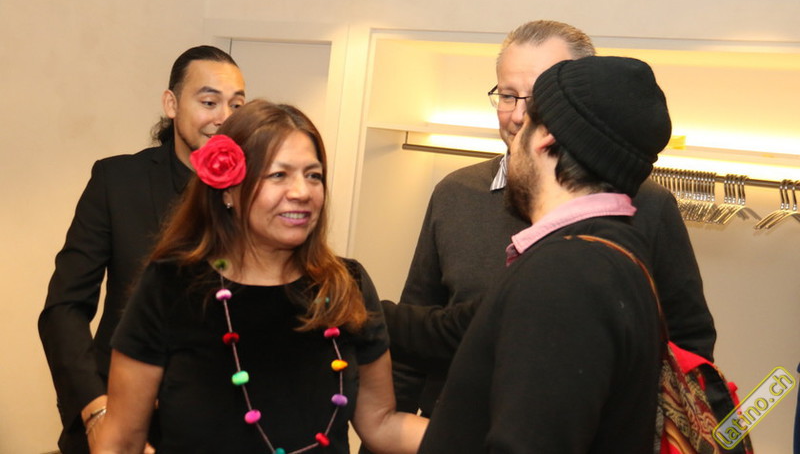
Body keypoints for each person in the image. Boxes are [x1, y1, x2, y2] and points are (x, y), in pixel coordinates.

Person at [390, 20, 716, 417]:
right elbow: (423, 328)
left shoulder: (647, 206)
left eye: (539, 98)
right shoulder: (455, 192)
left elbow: (688, 342)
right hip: (447, 427)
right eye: (507, 96)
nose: (518, 116)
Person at [94, 100, 427, 454]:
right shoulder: (171, 285)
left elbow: (381, 423)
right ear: (228, 190)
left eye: (313, 175)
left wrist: (465, 435)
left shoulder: (346, 285)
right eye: (278, 175)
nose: (302, 192)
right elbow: (122, 441)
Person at [419, 55, 670, 453]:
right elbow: (455, 326)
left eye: (528, 122)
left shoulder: (566, 274)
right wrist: (353, 301)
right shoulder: (611, 250)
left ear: (545, 138)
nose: (515, 128)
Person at [38, 45, 246, 454]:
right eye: (209, 102)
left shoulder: (256, 194)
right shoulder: (117, 181)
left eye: (236, 105)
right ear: (171, 104)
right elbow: (64, 308)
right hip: (116, 417)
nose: (224, 117)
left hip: (220, 426)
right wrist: (97, 412)